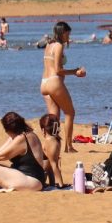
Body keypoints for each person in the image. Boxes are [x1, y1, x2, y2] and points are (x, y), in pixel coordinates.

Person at [41, 21, 87, 152]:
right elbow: (58, 70)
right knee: (70, 112)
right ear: (63, 33)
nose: (69, 37)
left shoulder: (48, 45)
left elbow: (48, 66)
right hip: (54, 82)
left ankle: (50, 144)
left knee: (54, 118)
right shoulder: (59, 46)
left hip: (44, 82)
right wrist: (75, 72)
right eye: (68, 34)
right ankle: (68, 147)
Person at [39, 113, 64, 187]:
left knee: (52, 163)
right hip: (44, 173)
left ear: (43, 130)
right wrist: (52, 184)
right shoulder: (56, 139)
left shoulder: (49, 141)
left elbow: (54, 166)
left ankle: (57, 184)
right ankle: (52, 183)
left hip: (39, 177)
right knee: (50, 162)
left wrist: (61, 185)